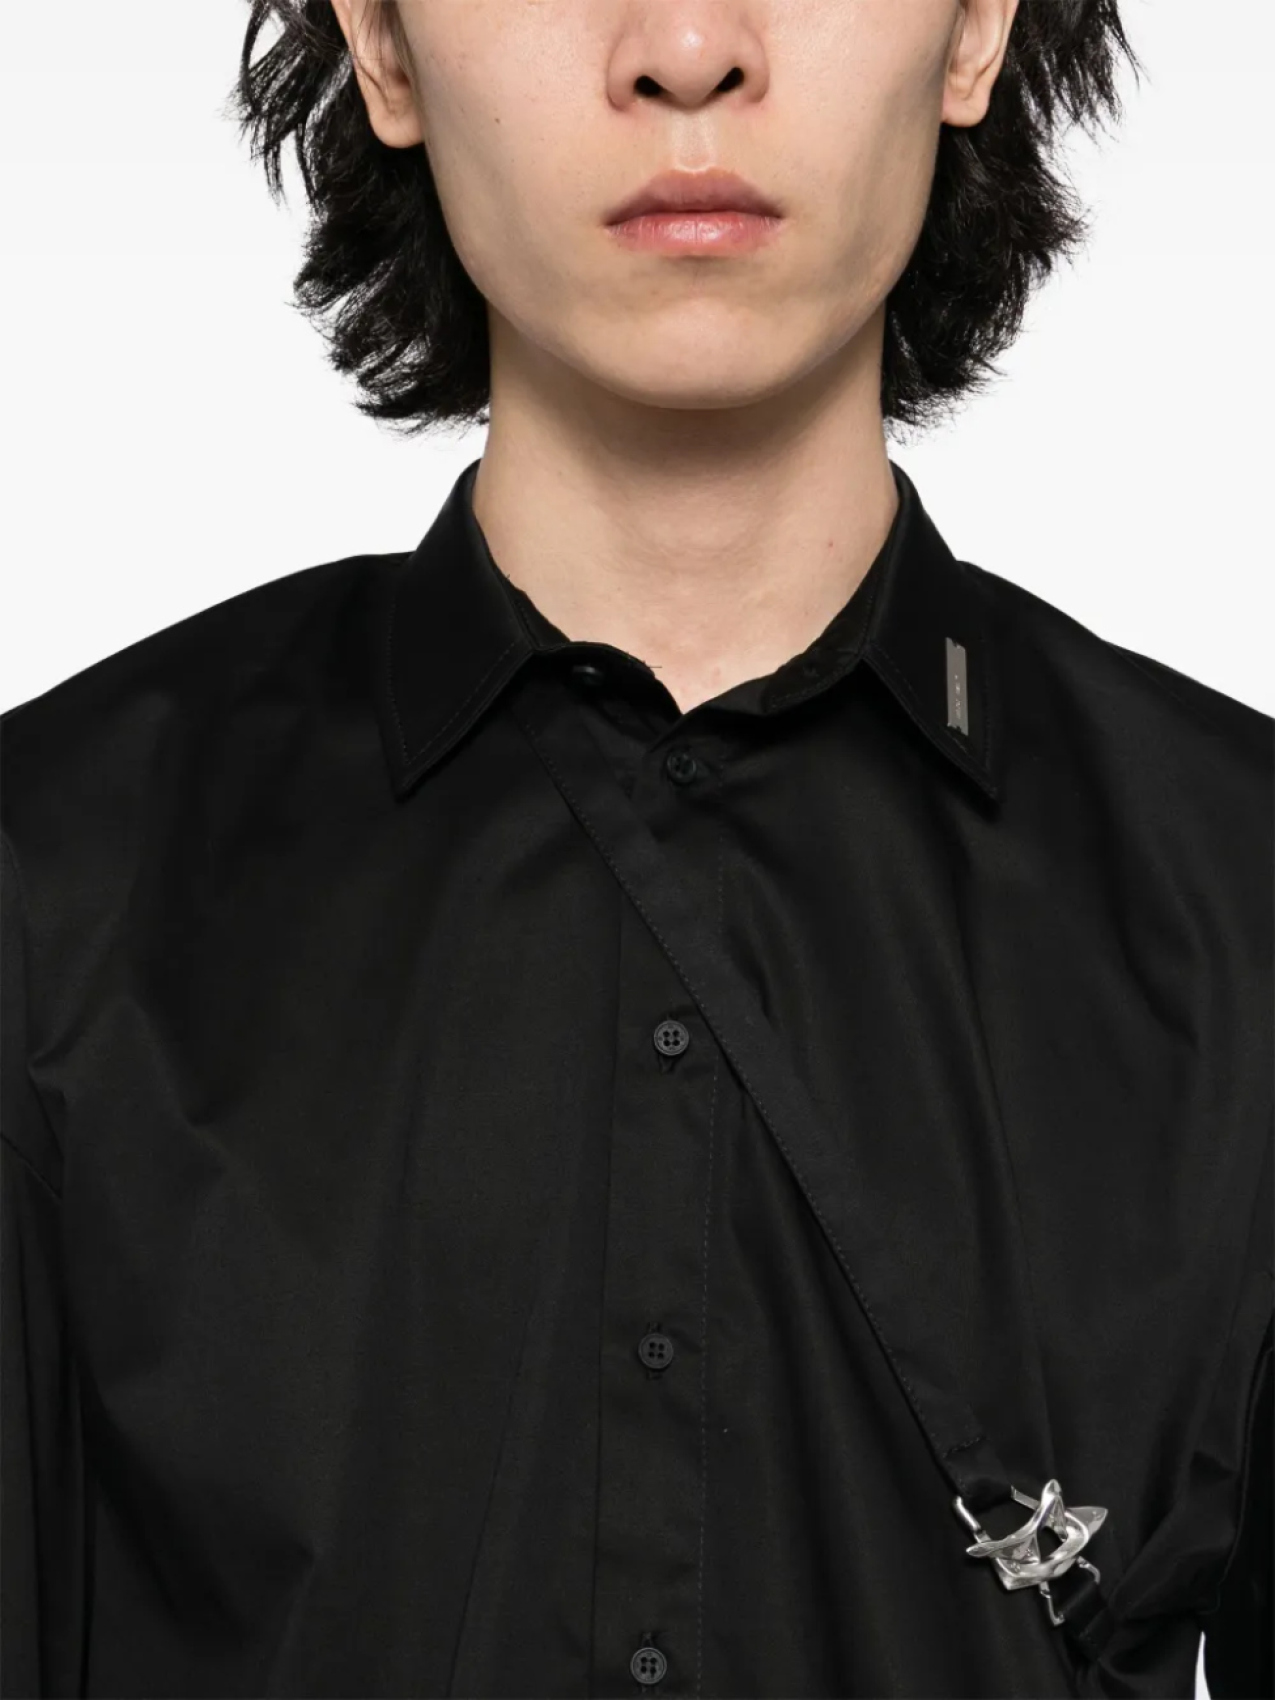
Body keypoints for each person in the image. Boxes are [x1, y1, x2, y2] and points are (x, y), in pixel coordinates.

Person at [2, 0, 1270, 1695]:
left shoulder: (1243, 898)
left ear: (976, 31)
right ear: (383, 45)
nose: (684, 46)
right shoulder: (53, 881)